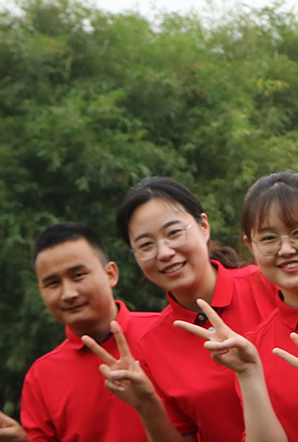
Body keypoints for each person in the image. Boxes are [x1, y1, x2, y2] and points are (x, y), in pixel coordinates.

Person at [172, 172, 298, 442]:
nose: (285, 249)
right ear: (251, 246)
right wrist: (248, 373)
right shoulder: (256, 348)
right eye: (269, 238)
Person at [110, 176, 279, 441]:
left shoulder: (267, 286)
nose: (164, 252)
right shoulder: (152, 344)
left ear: (203, 226)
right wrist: (146, 406)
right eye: (145, 245)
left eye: (174, 233)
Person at [0, 222, 157, 442]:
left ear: (111, 274)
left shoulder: (164, 333)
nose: (68, 294)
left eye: (78, 275)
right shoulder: (42, 376)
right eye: (53, 283)